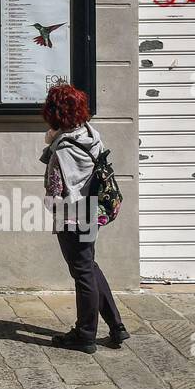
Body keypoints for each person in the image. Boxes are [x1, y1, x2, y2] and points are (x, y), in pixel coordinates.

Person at [41, 83, 129, 353]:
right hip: (93, 211)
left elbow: (55, 191)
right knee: (89, 266)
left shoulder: (62, 149)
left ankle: (85, 334)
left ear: (55, 113)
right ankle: (116, 326)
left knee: (82, 273)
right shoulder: (91, 135)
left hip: (72, 217)